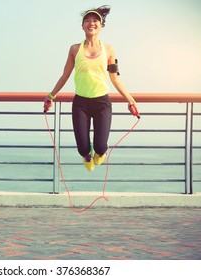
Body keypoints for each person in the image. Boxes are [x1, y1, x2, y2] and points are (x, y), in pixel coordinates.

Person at [44, 5, 139, 172]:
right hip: (80, 103)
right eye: (87, 21)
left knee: (101, 146)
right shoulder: (75, 49)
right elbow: (65, 75)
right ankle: (87, 155)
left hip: (102, 102)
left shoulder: (109, 50)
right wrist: (51, 96)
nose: (91, 23)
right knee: (82, 148)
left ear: (101, 25)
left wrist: (130, 100)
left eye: (95, 20)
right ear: (82, 26)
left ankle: (100, 151)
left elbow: (115, 78)